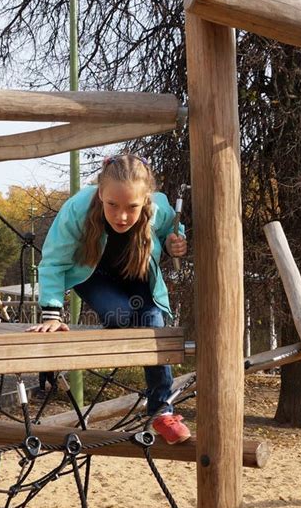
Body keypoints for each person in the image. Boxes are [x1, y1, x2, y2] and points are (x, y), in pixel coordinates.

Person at [27, 153, 190, 444]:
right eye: (112, 205)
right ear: (101, 192)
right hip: (94, 276)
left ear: (146, 200)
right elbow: (53, 261)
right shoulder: (77, 209)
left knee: (154, 326)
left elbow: (171, 229)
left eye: (132, 207)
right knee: (122, 316)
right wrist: (52, 313)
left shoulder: (159, 208)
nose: (122, 216)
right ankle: (123, 321)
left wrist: (174, 242)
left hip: (137, 276)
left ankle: (162, 410)